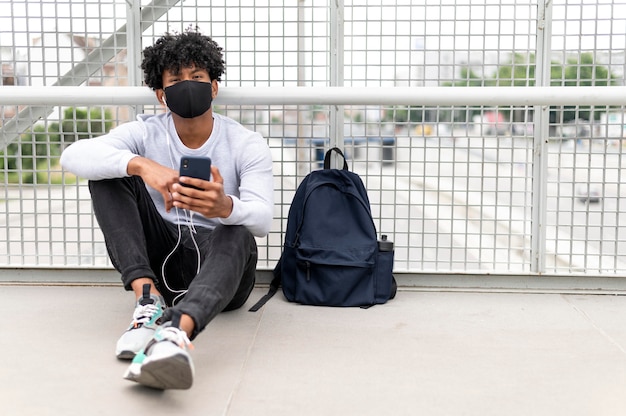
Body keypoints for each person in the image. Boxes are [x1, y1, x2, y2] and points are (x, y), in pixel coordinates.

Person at [60, 29, 274, 390]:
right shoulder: (145, 131)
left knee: (237, 228)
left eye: (197, 77)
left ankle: (176, 333)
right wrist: (143, 166)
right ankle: (148, 303)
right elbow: (73, 156)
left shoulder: (245, 143)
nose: (187, 85)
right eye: (176, 80)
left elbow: (263, 219)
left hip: (222, 271)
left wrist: (224, 206)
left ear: (214, 87)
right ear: (161, 95)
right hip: (162, 256)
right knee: (109, 173)